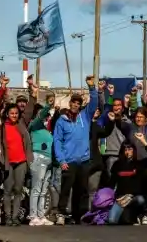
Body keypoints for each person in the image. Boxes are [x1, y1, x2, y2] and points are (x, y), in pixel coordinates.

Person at [53, 75, 99, 225]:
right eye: (74, 102)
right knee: (66, 188)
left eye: (78, 103)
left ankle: (79, 215)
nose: (76, 105)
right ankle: (61, 213)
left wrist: (91, 87)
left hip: (84, 160)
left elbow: (94, 103)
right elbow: (57, 141)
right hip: (69, 160)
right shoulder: (62, 120)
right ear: (70, 103)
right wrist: (61, 160)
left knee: (82, 189)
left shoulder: (85, 116)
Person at [0, 84, 36, 226]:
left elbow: (29, 110)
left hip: (21, 162)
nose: (14, 115)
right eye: (12, 113)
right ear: (7, 114)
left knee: (18, 190)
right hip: (8, 164)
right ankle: (8, 217)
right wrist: (2, 159)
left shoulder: (22, 124)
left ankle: (15, 217)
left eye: (16, 113)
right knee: (7, 190)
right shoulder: (1, 128)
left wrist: (33, 94)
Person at [108, 138, 147, 225]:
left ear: (134, 150)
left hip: (134, 197)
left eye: (130, 149)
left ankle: (139, 214)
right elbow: (112, 182)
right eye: (125, 150)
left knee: (140, 199)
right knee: (111, 220)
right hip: (121, 198)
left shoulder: (139, 164)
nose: (127, 152)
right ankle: (126, 215)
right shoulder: (117, 164)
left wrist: (144, 141)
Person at [28, 95, 54, 226]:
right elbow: (40, 116)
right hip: (38, 158)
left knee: (43, 190)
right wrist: (48, 105)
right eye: (40, 113)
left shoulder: (46, 130)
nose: (43, 116)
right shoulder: (34, 125)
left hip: (48, 160)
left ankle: (41, 215)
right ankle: (33, 216)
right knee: (36, 189)